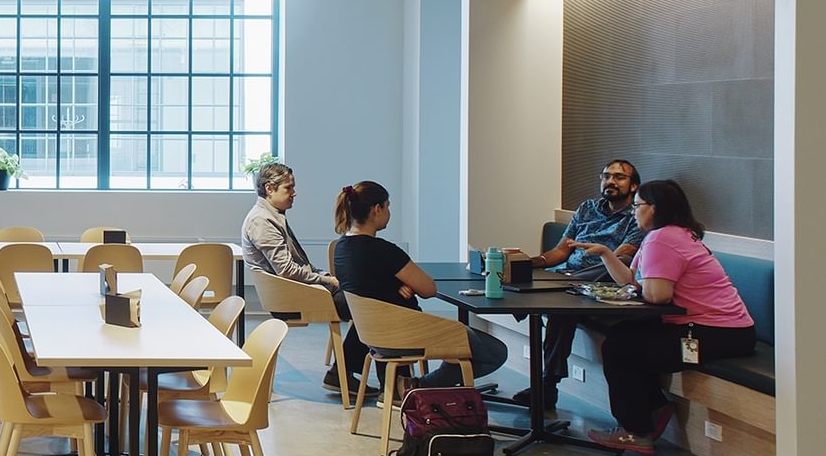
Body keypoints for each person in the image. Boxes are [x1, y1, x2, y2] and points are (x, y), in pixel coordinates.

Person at [570, 179, 756, 455]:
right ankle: (655, 408)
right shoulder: (668, 235)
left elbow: (658, 296)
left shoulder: (663, 239)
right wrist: (608, 255)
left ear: (654, 208)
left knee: (620, 347)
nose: (634, 211)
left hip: (717, 332)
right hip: (727, 330)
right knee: (622, 336)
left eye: (638, 206)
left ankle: (637, 431)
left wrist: (640, 289)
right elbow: (632, 280)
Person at [333, 180, 509, 390]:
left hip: (373, 336)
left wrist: (397, 284)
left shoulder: (341, 248)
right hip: (406, 334)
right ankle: (418, 386)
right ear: (376, 209)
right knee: (496, 352)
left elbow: (370, 286)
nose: (389, 212)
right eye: (388, 206)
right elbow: (428, 289)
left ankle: (403, 387)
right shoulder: (385, 251)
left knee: (469, 342)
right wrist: (402, 283)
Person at [514, 158, 646, 410]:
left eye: (619, 177)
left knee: (562, 308)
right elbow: (561, 250)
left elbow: (621, 259)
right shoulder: (587, 208)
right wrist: (531, 262)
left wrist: (596, 259)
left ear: (633, 186)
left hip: (602, 278)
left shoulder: (635, 218)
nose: (611, 181)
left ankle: (547, 385)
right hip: (566, 275)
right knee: (523, 280)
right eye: (606, 176)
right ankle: (546, 384)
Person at [240, 161, 362, 396]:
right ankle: (346, 373)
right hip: (291, 297)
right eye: (289, 188)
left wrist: (323, 276)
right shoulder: (261, 221)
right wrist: (327, 281)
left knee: (364, 300)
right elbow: (286, 269)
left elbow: (295, 265)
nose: (294, 193)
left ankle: (344, 371)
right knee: (368, 307)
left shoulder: (271, 216)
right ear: (269, 189)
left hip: (298, 291)